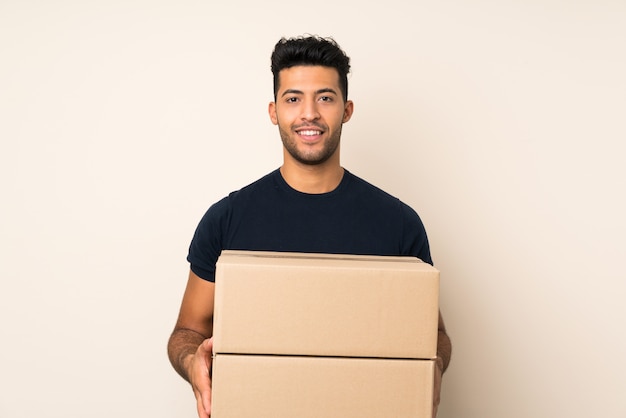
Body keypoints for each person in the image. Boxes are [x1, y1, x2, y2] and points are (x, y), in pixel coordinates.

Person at [167, 35, 452, 418]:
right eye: (293, 98)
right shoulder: (227, 219)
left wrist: (430, 370)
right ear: (273, 111)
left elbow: (434, 335)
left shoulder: (398, 223)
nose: (309, 113)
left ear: (346, 109)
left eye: (325, 97)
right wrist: (192, 364)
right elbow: (188, 331)